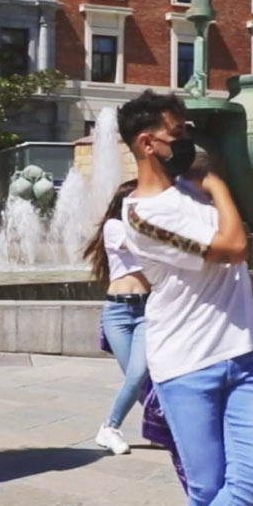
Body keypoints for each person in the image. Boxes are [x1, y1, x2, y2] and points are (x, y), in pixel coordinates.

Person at [119, 91, 253, 506]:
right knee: (208, 486)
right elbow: (234, 245)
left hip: (242, 355)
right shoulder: (142, 215)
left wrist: (208, 181)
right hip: (186, 365)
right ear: (147, 143)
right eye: (178, 132)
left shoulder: (190, 189)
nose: (188, 140)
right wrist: (217, 183)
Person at [84, 180, 146, 456]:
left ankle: (110, 427)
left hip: (147, 311)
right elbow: (137, 245)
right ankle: (161, 428)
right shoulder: (114, 226)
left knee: (139, 373)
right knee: (135, 378)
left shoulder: (151, 230)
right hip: (118, 313)